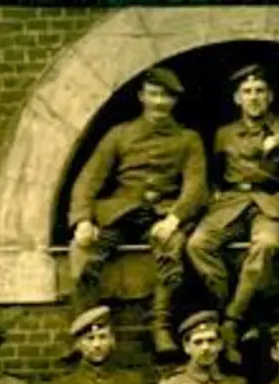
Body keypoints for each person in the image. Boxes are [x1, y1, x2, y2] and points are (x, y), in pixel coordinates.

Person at [66, 66, 206, 351]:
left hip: (161, 215)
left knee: (172, 247)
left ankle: (161, 327)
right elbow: (88, 181)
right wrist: (82, 220)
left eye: (166, 97)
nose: (158, 103)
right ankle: (82, 328)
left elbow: (196, 186)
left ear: (174, 102)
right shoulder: (119, 135)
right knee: (83, 251)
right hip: (119, 213)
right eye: (153, 95)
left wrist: (174, 218)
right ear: (142, 97)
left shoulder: (188, 139)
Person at [185, 64, 279, 363]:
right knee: (198, 245)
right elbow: (211, 173)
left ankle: (231, 321)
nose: (254, 98)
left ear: (270, 96)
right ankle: (236, 312)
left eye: (260, 91)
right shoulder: (224, 134)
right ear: (237, 99)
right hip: (231, 202)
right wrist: (215, 194)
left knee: (265, 245)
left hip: (270, 202)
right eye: (247, 92)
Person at [47, 306, 150, 384]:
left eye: (102, 337)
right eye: (90, 338)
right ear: (78, 344)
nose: (97, 345)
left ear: (112, 341)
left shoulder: (134, 381)